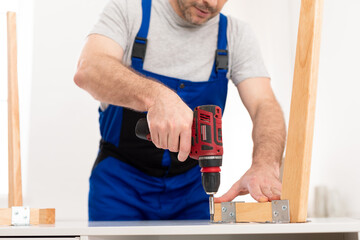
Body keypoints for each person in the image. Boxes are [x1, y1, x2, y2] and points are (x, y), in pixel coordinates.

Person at [74, 0, 286, 221]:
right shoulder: (129, 11)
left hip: (193, 190)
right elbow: (88, 69)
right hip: (120, 187)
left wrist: (265, 164)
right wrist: (157, 97)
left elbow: (264, 104)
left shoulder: (235, 34)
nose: (212, 3)